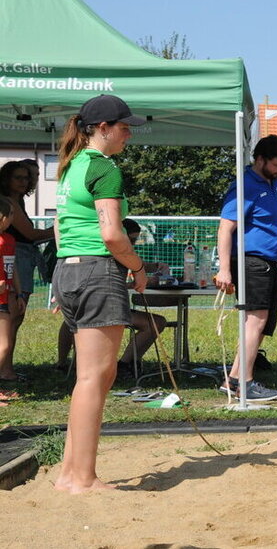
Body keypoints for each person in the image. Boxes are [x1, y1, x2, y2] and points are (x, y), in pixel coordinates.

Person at [51, 94, 148, 494]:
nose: (129, 134)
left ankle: (69, 474)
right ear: (103, 128)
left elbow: (60, 227)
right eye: (124, 127)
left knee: (87, 378)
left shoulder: (71, 165)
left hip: (68, 269)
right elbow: (112, 234)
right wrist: (137, 267)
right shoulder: (104, 168)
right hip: (98, 270)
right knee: (96, 377)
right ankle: (84, 479)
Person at [213, 134, 277, 403]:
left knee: (261, 325)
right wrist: (224, 269)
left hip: (270, 262)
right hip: (251, 262)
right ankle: (245, 384)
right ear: (260, 159)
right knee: (255, 321)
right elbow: (225, 228)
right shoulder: (244, 187)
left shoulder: (275, 185)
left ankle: (234, 379)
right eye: (276, 165)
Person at [56, 219, 168, 379]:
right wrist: (140, 280)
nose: (133, 245)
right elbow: (114, 282)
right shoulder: (112, 254)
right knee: (155, 323)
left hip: (99, 305)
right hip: (106, 309)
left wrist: (155, 266)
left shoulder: (108, 252)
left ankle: (65, 364)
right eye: (131, 240)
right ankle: (122, 365)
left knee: (72, 320)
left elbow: (138, 264)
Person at [0, 160, 53, 378]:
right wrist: (61, 229)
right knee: (12, 318)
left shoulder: (17, 201)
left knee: (15, 318)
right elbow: (30, 234)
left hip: (21, 258)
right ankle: (5, 370)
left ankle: (7, 368)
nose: (26, 181)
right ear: (7, 179)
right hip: (17, 258)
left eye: (28, 177)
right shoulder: (8, 202)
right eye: (19, 177)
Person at [0, 198, 24, 388]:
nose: (13, 218)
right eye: (12, 214)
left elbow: (12, 267)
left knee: (5, 345)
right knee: (4, 345)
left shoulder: (9, 239)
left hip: (6, 298)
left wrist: (19, 293)